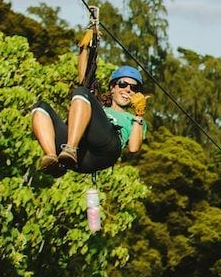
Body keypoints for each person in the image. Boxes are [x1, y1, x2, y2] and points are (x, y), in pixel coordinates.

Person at [31, 28, 149, 178]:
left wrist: (139, 115)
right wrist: (84, 49)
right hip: (81, 157)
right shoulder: (95, 105)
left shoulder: (134, 120)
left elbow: (133, 148)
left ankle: (70, 148)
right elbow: (84, 78)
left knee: (82, 92)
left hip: (106, 150)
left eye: (134, 88)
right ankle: (53, 158)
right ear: (112, 87)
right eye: (122, 84)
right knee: (40, 108)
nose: (127, 90)